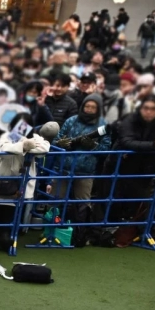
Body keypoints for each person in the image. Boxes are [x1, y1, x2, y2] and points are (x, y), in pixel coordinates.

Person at [52, 93, 112, 246]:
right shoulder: (71, 121)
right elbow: (55, 141)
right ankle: (52, 230)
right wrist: (61, 144)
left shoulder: (102, 126)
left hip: (85, 171)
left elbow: (106, 150)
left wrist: (92, 146)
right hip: (63, 168)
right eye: (87, 106)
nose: (89, 109)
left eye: (93, 107)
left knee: (82, 204)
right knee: (56, 200)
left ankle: (79, 234)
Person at [113, 94, 155, 225]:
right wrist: (154, 145)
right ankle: (109, 229)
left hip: (147, 168)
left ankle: (134, 230)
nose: (148, 112)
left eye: (152, 109)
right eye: (145, 108)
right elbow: (127, 142)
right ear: (140, 108)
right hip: (121, 165)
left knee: (140, 201)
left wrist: (153, 146)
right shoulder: (130, 119)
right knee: (114, 198)